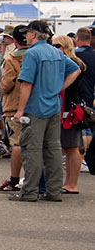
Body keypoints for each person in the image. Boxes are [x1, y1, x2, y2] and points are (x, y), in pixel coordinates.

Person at [10, 20, 80, 203]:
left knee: (32, 150)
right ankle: (55, 191)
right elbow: (76, 69)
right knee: (53, 149)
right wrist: (59, 88)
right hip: (54, 106)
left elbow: (27, 84)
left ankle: (30, 192)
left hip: (35, 108)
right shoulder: (55, 52)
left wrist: (20, 110)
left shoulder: (32, 53)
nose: (26, 35)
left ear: (33, 34)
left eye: (28, 32)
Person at [0, 25, 29, 193]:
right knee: (34, 143)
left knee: (17, 142)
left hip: (14, 105)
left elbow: (7, 83)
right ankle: (32, 178)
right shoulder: (35, 55)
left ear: (14, 40)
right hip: (35, 104)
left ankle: (14, 179)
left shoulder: (12, 59)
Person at [53, 35, 85, 194]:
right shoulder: (71, 62)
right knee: (68, 146)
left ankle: (72, 183)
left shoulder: (73, 64)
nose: (54, 48)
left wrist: (59, 88)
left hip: (69, 111)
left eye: (57, 45)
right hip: (67, 109)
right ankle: (69, 182)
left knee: (72, 147)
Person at [73, 27, 95, 175]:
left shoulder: (75, 55)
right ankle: (88, 157)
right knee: (91, 125)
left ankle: (84, 158)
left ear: (78, 39)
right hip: (92, 92)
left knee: (84, 126)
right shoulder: (94, 54)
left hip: (80, 92)